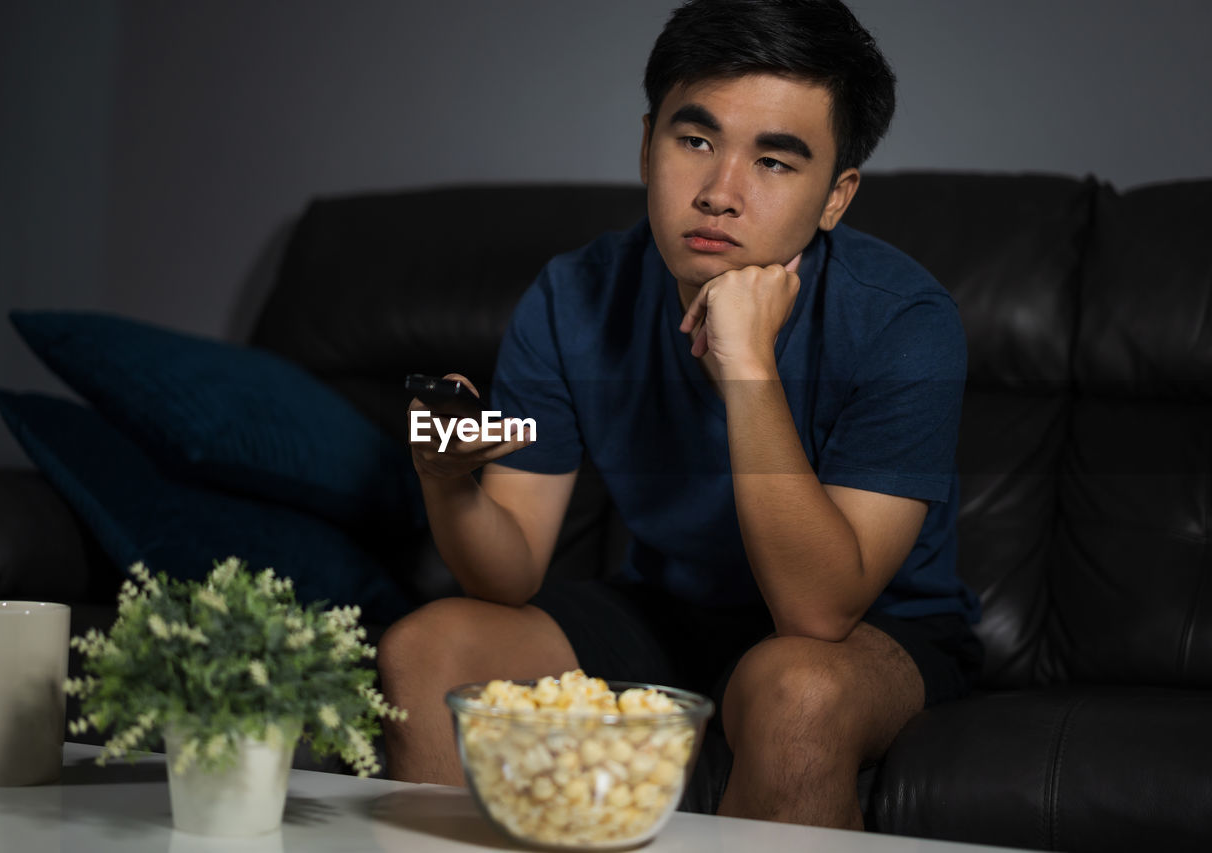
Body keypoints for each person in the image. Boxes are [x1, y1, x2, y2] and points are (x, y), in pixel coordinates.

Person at [378, 0, 982, 830]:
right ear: (645, 143)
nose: (719, 193)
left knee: (794, 688)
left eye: (774, 162)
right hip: (670, 614)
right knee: (428, 648)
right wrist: (446, 479)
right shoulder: (574, 295)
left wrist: (747, 366)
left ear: (836, 196)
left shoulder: (905, 320)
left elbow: (818, 612)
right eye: (694, 141)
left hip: (874, 633)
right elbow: (507, 573)